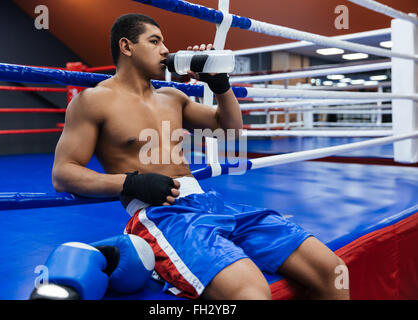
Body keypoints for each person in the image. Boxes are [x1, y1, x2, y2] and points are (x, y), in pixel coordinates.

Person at [52, 13, 350, 300]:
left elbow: (230, 130)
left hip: (211, 203)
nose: (166, 50)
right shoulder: (92, 101)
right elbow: (63, 173)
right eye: (154, 41)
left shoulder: (173, 97)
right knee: (251, 293)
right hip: (163, 215)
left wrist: (220, 84)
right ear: (126, 46)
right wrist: (129, 184)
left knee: (332, 270)